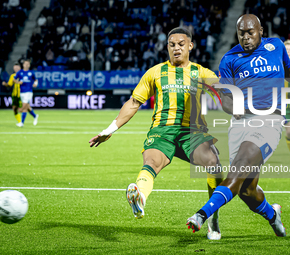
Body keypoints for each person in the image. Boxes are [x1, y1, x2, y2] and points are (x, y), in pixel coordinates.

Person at [186, 14, 290, 237]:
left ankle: (202, 214)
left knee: (238, 167)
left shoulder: (275, 46)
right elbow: (227, 98)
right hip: (240, 125)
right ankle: (272, 214)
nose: (246, 38)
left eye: (251, 32)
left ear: (260, 31)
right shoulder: (229, 60)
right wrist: (232, 106)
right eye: (241, 33)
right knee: (246, 190)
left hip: (269, 120)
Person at [89, 27, 224, 240]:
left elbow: (221, 89)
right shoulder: (155, 72)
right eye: (172, 45)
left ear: (190, 46)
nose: (176, 48)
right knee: (151, 163)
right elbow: (134, 103)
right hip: (162, 131)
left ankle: (213, 219)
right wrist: (109, 130)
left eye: (181, 44)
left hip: (193, 132)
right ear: (167, 47)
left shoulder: (201, 72)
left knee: (214, 165)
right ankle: (140, 197)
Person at [14, 60, 39, 127]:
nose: (27, 65)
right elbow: (14, 79)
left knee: (23, 107)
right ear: (23, 65)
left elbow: (35, 80)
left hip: (29, 92)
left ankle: (21, 123)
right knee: (27, 107)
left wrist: (35, 84)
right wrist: (18, 82)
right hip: (22, 92)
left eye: (28, 64)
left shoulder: (31, 73)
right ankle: (35, 116)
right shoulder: (20, 72)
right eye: (25, 64)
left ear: (29, 65)